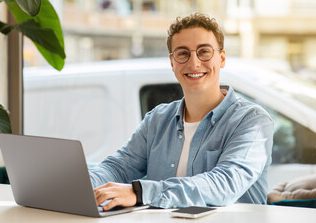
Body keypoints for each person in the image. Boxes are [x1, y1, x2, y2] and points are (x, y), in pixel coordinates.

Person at [90, 13, 274, 211]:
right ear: (172, 62)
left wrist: (140, 192)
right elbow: (117, 167)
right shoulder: (157, 120)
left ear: (221, 58)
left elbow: (225, 184)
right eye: (183, 53)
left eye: (204, 52)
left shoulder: (252, 121)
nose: (194, 63)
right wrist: (82, 185)